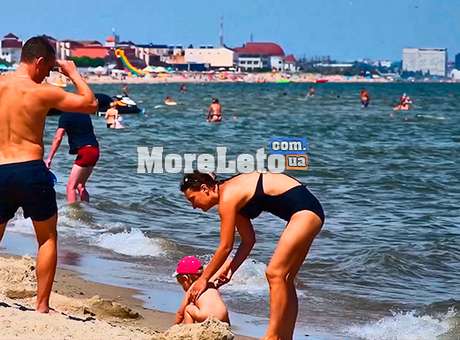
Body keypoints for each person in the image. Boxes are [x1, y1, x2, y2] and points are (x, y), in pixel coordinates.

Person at [0, 36, 97, 313]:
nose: (47, 75)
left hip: (1, 170)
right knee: (47, 238)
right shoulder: (41, 92)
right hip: (30, 170)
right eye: (48, 68)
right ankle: (42, 306)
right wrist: (73, 73)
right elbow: (90, 104)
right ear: (39, 61)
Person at [179, 171, 324, 340]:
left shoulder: (227, 197)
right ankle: (284, 337)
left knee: (275, 274)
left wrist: (203, 279)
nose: (193, 206)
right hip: (310, 212)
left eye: (192, 199)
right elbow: (248, 241)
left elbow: (225, 247)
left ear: (204, 188)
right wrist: (230, 269)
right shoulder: (232, 200)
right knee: (285, 278)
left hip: (306, 212)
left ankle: (271, 336)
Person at [45, 111, 100, 203]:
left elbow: (58, 137)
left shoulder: (65, 116)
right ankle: (87, 209)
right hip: (95, 150)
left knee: (71, 187)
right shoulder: (84, 114)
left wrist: (49, 158)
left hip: (85, 151)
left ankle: (73, 215)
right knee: (80, 185)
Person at [174, 256, 229, 324]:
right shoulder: (211, 281)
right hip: (223, 316)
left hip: (205, 316)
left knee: (188, 308)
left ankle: (189, 330)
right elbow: (227, 262)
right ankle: (227, 330)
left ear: (185, 278)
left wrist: (174, 327)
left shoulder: (193, 288)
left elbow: (180, 314)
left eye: (181, 282)